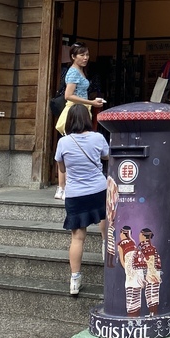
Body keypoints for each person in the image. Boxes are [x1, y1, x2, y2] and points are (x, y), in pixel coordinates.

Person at [54, 103, 110, 296]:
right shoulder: (98, 137)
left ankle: (75, 281)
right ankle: (105, 246)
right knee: (104, 218)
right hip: (98, 189)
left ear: (69, 120)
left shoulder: (63, 142)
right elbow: (107, 156)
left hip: (75, 194)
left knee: (77, 238)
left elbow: (62, 169)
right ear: (87, 119)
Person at [55, 42, 107, 199]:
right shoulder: (73, 73)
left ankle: (64, 187)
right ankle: (61, 187)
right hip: (75, 111)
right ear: (73, 57)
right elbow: (68, 95)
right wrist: (91, 102)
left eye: (87, 55)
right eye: (82, 55)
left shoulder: (80, 71)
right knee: (69, 146)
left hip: (82, 109)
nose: (86, 58)